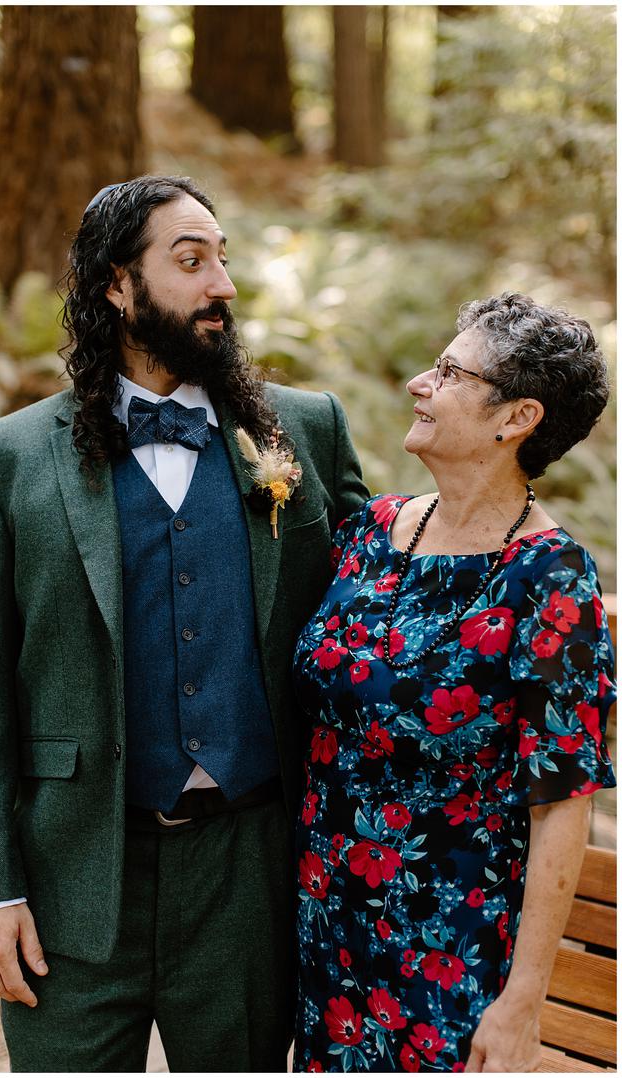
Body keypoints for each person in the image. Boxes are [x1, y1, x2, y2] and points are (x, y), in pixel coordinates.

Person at [0, 174, 368, 1071]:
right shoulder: (7, 460)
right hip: (74, 883)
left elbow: (377, 610)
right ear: (116, 286)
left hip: (251, 875)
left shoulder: (306, 431)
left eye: (222, 259)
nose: (223, 285)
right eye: (190, 260)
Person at [292, 293, 614, 1072]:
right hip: (326, 930)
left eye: (448, 371)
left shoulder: (551, 580)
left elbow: (564, 804)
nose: (417, 383)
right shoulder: (370, 532)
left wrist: (523, 1002)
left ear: (516, 419)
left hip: (450, 950)